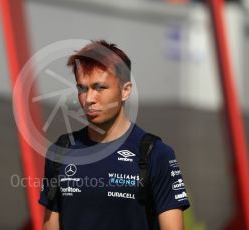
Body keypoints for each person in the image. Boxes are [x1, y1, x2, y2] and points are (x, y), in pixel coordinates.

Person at [39, 40, 190, 230]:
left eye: (100, 87)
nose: (89, 99)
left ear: (125, 91)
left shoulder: (156, 154)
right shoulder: (61, 151)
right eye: (82, 88)